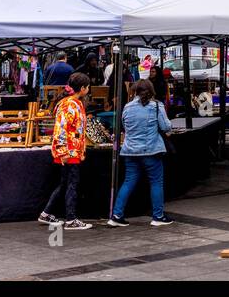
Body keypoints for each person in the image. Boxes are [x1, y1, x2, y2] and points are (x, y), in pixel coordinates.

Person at [107, 79, 175, 227]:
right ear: (151, 91)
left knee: (128, 182)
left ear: (135, 91)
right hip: (151, 150)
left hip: (130, 151)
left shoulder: (127, 107)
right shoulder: (156, 106)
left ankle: (116, 215)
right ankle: (158, 216)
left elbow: (125, 126)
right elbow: (166, 126)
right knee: (156, 182)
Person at [39, 73, 92, 230]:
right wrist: (64, 151)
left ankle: (46, 213)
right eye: (88, 87)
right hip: (69, 150)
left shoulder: (73, 103)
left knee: (65, 184)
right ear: (82, 88)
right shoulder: (69, 105)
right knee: (72, 184)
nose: (88, 90)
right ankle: (70, 219)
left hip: (71, 149)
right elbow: (61, 129)